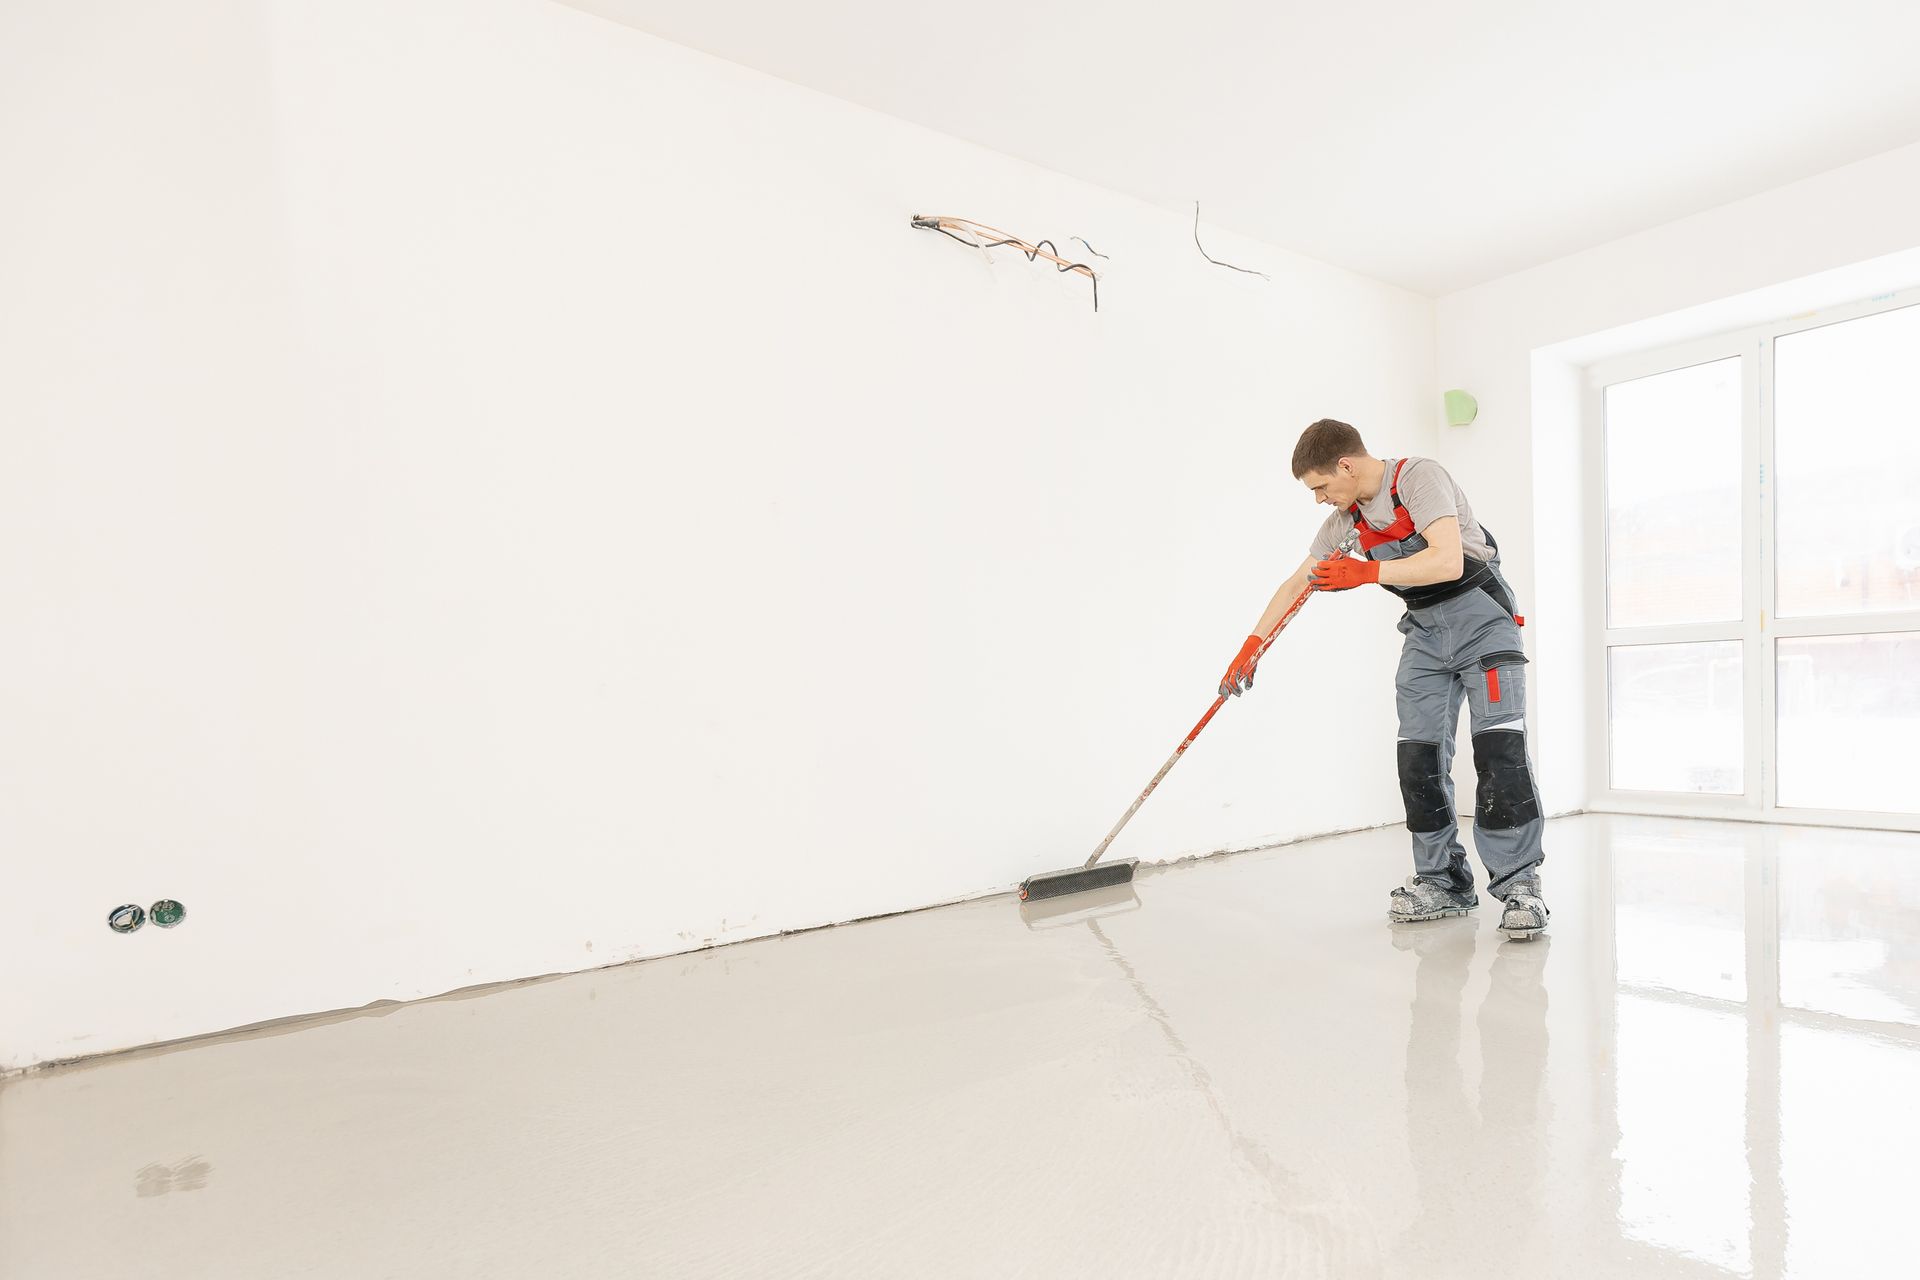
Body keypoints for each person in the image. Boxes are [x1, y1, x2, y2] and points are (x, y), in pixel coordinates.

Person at [1219, 419, 1548, 940]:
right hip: (1424, 636)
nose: (1320, 499)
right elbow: (1294, 584)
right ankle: (1442, 881)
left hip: (1484, 624)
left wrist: (1366, 573)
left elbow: (1445, 560)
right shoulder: (1343, 523)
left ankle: (1520, 884)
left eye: (1321, 487)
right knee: (1417, 755)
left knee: (1498, 750)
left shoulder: (1418, 478)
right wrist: (1252, 645)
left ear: (1345, 466)